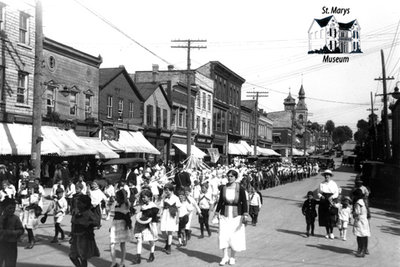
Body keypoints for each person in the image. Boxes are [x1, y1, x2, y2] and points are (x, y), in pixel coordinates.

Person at [214, 169, 248, 266]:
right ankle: (225, 256)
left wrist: (245, 213)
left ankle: (232, 257)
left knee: (234, 235)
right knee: (224, 234)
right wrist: (217, 211)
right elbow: (221, 201)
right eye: (228, 176)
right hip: (225, 214)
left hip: (236, 214)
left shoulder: (240, 188)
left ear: (235, 177)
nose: (230, 178)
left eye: (232, 176)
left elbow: (244, 202)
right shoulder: (224, 188)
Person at [69, 194, 100, 267]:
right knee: (72, 256)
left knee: (83, 257)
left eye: (79, 203)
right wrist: (72, 235)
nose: (77, 204)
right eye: (77, 203)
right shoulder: (75, 212)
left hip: (84, 238)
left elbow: (96, 222)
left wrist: (88, 224)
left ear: (85, 204)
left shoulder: (88, 213)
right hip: (75, 237)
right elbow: (73, 224)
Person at [133, 189, 159, 264]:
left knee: (151, 240)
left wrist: (148, 215)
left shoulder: (153, 205)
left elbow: (154, 214)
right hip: (141, 223)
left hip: (149, 225)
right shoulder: (143, 205)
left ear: (149, 197)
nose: (143, 199)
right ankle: (138, 257)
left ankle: (152, 254)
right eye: (142, 197)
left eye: (145, 197)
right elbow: (140, 212)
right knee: (139, 239)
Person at [0, 197, 24, 267]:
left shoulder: (16, 218)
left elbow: (21, 230)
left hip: (12, 245)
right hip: (1, 244)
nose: (12, 210)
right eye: (10, 208)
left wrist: (14, 233)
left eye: (14, 208)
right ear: (4, 208)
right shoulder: (1, 218)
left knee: (11, 263)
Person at [109, 189, 131, 267]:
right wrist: (111, 226)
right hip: (115, 225)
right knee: (112, 243)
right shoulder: (116, 205)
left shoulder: (125, 206)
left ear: (120, 197)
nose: (115, 197)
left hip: (122, 226)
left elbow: (128, 218)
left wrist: (129, 227)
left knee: (122, 244)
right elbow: (115, 216)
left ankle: (122, 262)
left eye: (117, 196)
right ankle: (114, 262)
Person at [158, 183, 181, 255]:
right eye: (165, 190)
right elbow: (161, 207)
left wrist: (177, 218)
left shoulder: (176, 198)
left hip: (172, 215)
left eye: (167, 190)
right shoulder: (164, 198)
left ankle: (169, 247)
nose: (166, 192)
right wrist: (160, 214)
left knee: (170, 231)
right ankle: (167, 242)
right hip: (165, 214)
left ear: (171, 190)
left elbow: (178, 209)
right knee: (162, 230)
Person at [317, 169, 339, 239]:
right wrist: (321, 196)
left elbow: (336, 193)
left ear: (330, 176)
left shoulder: (334, 183)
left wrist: (332, 197)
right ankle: (327, 232)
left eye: (328, 175)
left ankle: (331, 232)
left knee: (332, 217)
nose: (327, 176)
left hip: (331, 199)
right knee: (325, 217)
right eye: (325, 175)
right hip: (324, 200)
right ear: (324, 176)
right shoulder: (321, 184)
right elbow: (318, 192)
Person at [352, 188, 370, 257]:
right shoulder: (363, 201)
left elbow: (357, 212)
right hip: (364, 220)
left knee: (359, 236)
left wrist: (353, 214)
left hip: (359, 220)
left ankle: (361, 250)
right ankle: (364, 249)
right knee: (364, 235)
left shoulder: (358, 203)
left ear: (356, 196)